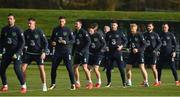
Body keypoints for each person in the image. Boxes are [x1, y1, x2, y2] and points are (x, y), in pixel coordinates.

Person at [0, 13, 26, 93]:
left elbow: (22, 43)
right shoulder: (4, 29)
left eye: (11, 19)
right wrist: (0, 52)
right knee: (1, 68)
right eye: (8, 19)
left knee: (17, 68)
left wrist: (17, 53)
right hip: (7, 53)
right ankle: (5, 86)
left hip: (16, 52)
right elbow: (1, 42)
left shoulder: (18, 29)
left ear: (14, 20)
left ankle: (23, 86)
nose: (9, 20)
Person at [22, 17, 49, 92]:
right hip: (29, 53)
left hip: (38, 54)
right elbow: (22, 42)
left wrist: (44, 52)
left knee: (41, 68)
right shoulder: (26, 32)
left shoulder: (39, 31)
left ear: (34, 23)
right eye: (28, 23)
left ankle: (44, 85)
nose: (29, 24)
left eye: (30, 23)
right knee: (23, 68)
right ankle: (24, 85)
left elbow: (46, 42)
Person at [49, 16, 76, 90]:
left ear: (65, 22)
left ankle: (73, 84)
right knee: (53, 68)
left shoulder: (68, 29)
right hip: (57, 51)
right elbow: (51, 39)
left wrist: (66, 42)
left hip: (66, 51)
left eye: (62, 21)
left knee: (69, 68)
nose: (61, 23)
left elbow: (73, 40)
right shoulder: (55, 29)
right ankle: (53, 84)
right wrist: (53, 42)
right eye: (60, 21)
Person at [105, 21, 127, 88]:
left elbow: (125, 40)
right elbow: (105, 41)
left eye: (114, 25)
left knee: (121, 68)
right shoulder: (108, 33)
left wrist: (121, 46)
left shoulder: (120, 33)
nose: (113, 26)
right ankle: (109, 83)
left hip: (118, 53)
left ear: (117, 25)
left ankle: (124, 83)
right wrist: (106, 46)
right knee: (108, 68)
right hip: (110, 53)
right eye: (112, 25)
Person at [73, 20, 93, 89]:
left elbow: (89, 42)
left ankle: (90, 82)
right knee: (75, 67)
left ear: (80, 25)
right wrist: (73, 52)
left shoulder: (83, 31)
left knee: (84, 67)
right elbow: (74, 43)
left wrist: (83, 51)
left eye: (77, 24)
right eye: (75, 24)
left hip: (84, 53)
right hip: (77, 53)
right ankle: (77, 82)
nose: (76, 25)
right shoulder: (74, 32)